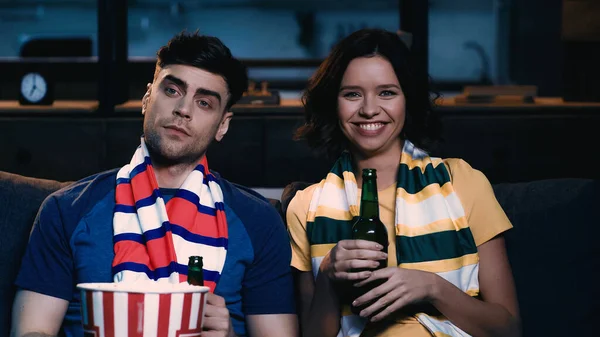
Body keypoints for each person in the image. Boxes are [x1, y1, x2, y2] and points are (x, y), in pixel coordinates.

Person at [11, 31, 298, 337]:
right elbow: (32, 331)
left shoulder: (258, 221)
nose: (183, 110)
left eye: (204, 102)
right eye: (173, 90)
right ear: (148, 99)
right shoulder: (66, 208)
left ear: (222, 125)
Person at [286, 28, 520, 337]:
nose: (369, 109)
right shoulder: (306, 207)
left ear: (407, 99)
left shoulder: (462, 182)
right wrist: (329, 275)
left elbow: (509, 330)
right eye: (352, 93)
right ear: (334, 102)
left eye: (387, 92)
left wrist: (432, 287)